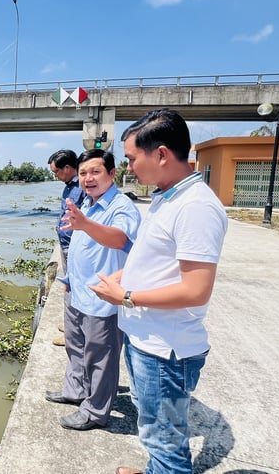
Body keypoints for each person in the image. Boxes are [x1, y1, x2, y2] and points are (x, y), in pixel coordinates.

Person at [90, 109, 228, 474]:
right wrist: (122, 277)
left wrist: (127, 297)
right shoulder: (167, 197)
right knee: (152, 426)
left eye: (133, 159)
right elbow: (152, 259)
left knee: (164, 437)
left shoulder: (195, 207)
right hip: (145, 338)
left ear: (162, 154)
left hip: (166, 350)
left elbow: (196, 289)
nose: (129, 168)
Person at [45, 149, 141, 431]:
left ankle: (95, 411)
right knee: (76, 347)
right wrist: (68, 281)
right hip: (77, 290)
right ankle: (75, 390)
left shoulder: (120, 207)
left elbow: (120, 238)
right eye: (84, 172)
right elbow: (80, 246)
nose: (88, 178)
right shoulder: (89, 202)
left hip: (102, 297)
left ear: (112, 174)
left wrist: (85, 224)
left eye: (95, 172)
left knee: (101, 356)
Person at [43, 150, 85, 345]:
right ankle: (71, 325)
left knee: (74, 288)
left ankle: (73, 334)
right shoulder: (69, 186)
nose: (55, 176)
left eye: (56, 172)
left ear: (68, 168)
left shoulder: (82, 186)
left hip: (75, 245)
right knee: (69, 286)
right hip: (66, 243)